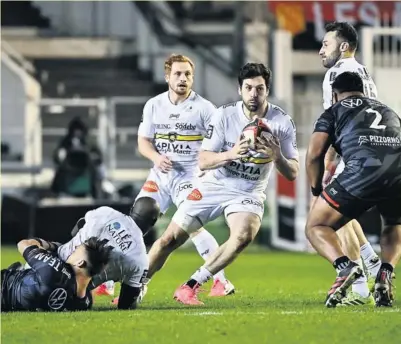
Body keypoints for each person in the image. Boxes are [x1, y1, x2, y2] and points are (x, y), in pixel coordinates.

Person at [144, 62, 299, 305]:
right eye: (248, 88)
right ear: (240, 90)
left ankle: (191, 285)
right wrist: (232, 153)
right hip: (214, 185)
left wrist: (277, 155)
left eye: (259, 89)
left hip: (248, 191)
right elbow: (204, 161)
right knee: (168, 239)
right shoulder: (224, 115)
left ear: (267, 90)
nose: (253, 95)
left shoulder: (282, 122)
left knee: (243, 236)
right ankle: (135, 287)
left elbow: (292, 173)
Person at [134, 54, 235, 297]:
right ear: (167, 76)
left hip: (189, 178)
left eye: (188, 74)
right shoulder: (154, 105)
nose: (183, 78)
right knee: (135, 224)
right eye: (178, 74)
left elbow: (220, 141)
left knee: (191, 227)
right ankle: (114, 279)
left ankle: (220, 280)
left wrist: (207, 165)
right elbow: (143, 142)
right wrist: (157, 158)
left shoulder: (205, 109)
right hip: (159, 177)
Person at [305, 72, 401, 308]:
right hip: (398, 173)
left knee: (316, 226)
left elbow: (314, 154)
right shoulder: (388, 110)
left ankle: (345, 267)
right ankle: (384, 273)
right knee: (392, 224)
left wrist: (316, 189)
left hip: (363, 171)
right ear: (364, 91)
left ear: (334, 94)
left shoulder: (334, 111)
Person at [318, 21, 382, 305]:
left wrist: (329, 161)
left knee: (332, 215)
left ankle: (359, 290)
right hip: (374, 150)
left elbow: (336, 121)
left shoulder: (337, 73)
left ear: (343, 47)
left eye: (326, 44)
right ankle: (372, 262)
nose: (321, 51)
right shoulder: (362, 72)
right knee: (344, 214)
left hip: (353, 150)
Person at [57, 197, 159, 310]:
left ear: (132, 209)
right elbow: (127, 304)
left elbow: (76, 229)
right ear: (153, 222)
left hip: (52, 260)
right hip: (72, 293)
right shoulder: (140, 259)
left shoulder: (105, 211)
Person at [1, 237, 111, 312]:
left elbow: (23, 244)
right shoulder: (84, 303)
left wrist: (53, 246)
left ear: (80, 263)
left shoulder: (54, 269)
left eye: (75, 250)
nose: (70, 251)